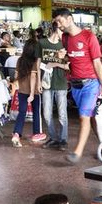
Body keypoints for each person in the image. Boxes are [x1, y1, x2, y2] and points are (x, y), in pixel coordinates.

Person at [53, 8, 102, 164]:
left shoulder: (88, 37)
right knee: (90, 118)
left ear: (69, 19)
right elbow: (69, 61)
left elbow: (97, 63)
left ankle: (77, 153)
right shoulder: (65, 38)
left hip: (91, 84)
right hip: (75, 84)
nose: (58, 25)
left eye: (60, 21)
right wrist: (63, 58)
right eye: (56, 22)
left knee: (83, 117)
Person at [37, 21, 70, 150]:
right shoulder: (42, 43)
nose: (64, 34)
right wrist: (38, 81)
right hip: (46, 82)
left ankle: (63, 139)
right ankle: (53, 137)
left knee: (62, 113)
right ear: (56, 29)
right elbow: (38, 62)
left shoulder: (65, 44)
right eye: (62, 30)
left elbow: (69, 65)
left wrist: (55, 64)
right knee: (46, 113)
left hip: (61, 81)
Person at [11, 40, 45, 147]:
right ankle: (36, 133)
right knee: (36, 112)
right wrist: (31, 94)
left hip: (22, 91)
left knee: (22, 112)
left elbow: (16, 75)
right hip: (33, 92)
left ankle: (16, 134)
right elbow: (33, 77)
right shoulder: (35, 61)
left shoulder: (20, 60)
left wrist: (18, 83)